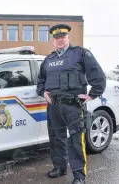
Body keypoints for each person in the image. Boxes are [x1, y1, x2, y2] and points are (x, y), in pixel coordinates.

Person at [36, 24, 106, 184]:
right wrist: (43, 93)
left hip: (73, 107)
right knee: (56, 139)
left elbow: (97, 75)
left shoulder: (81, 53)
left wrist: (92, 94)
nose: (59, 40)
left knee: (76, 141)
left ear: (68, 38)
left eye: (62, 37)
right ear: (53, 41)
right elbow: (41, 81)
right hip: (54, 106)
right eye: (56, 38)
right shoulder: (48, 59)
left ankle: (79, 176)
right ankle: (59, 168)